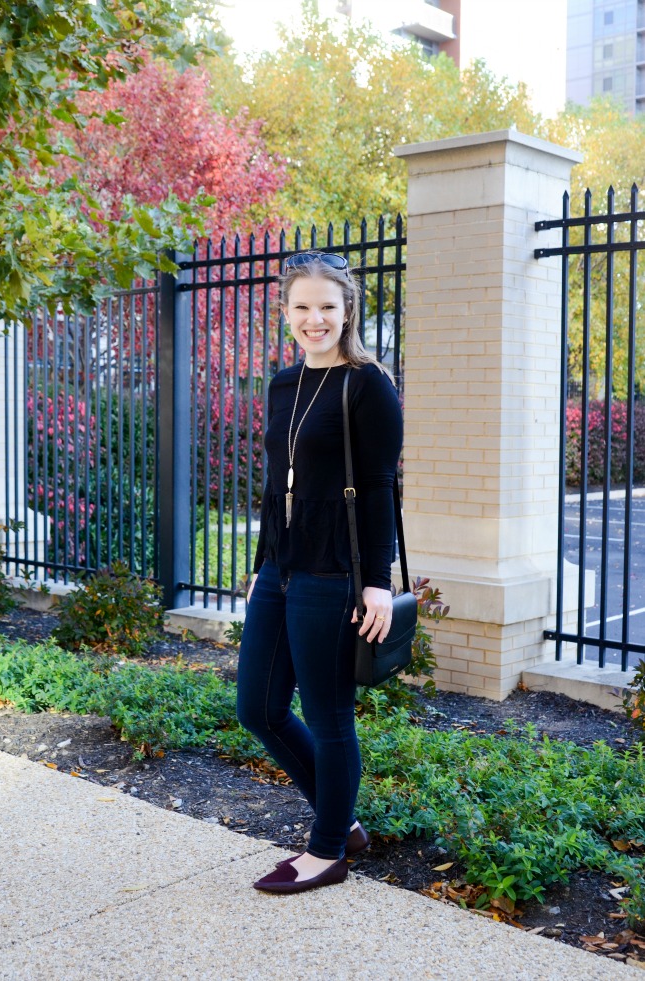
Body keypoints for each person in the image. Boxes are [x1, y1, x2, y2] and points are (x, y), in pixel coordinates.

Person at [236, 250, 403, 894]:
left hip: (336, 572)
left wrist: (376, 583)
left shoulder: (368, 384)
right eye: (302, 307)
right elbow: (278, 483)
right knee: (258, 707)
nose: (315, 319)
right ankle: (345, 821)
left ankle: (328, 848)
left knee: (329, 716)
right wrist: (260, 564)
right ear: (285, 312)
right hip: (280, 567)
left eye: (327, 307)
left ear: (347, 311)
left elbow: (383, 485)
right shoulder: (283, 384)